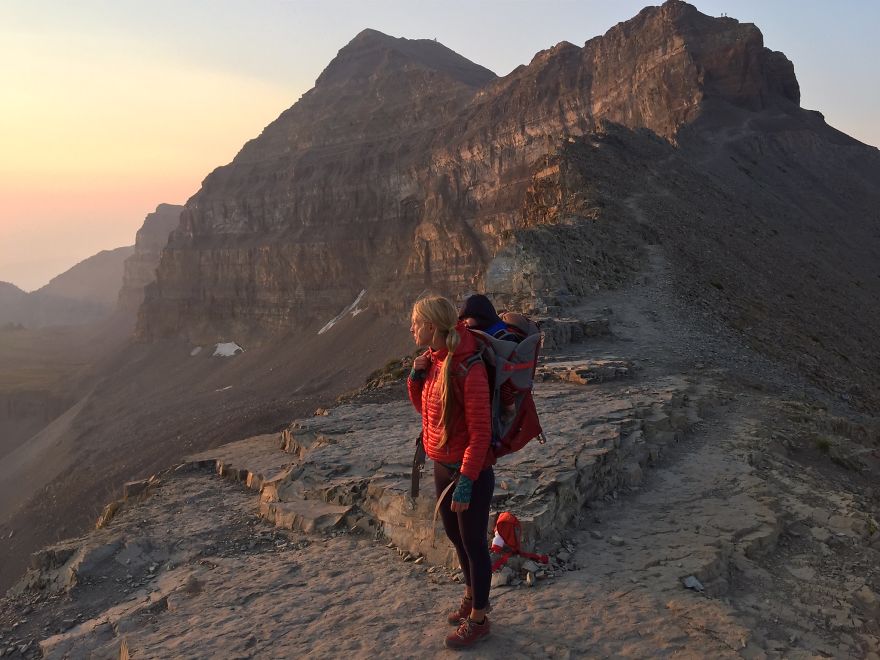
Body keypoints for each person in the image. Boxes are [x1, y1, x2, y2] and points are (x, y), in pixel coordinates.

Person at [407, 294, 495, 650]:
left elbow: (480, 434)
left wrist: (467, 481)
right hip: (442, 464)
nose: (411, 329)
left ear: (431, 326)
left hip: (467, 470)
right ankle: (471, 595)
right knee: (456, 537)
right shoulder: (434, 359)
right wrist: (416, 377)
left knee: (474, 543)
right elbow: (426, 412)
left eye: (415, 323)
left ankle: (480, 618)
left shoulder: (469, 368)